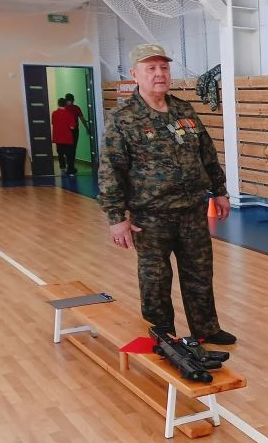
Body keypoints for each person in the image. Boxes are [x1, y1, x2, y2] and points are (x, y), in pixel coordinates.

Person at [97, 43, 236, 344]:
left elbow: (206, 153)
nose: (159, 73)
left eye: (164, 67)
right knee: (155, 281)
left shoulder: (183, 109)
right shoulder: (122, 118)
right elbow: (111, 169)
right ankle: (161, 337)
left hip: (192, 212)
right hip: (150, 217)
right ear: (135, 74)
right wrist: (116, 218)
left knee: (200, 274)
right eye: (151, 68)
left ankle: (206, 328)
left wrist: (220, 191)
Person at [50, 98, 76, 176]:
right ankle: (71, 171)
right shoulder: (69, 114)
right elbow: (72, 127)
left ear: (58, 104)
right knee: (69, 155)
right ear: (65, 104)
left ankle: (62, 167)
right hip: (67, 138)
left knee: (60, 153)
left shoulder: (54, 113)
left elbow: (53, 123)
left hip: (58, 137)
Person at [64, 93, 89, 171]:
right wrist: (87, 128)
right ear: (73, 100)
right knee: (73, 148)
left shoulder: (64, 108)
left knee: (66, 148)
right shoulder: (76, 108)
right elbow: (82, 119)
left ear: (66, 100)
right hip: (74, 131)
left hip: (66, 131)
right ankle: (71, 165)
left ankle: (67, 164)